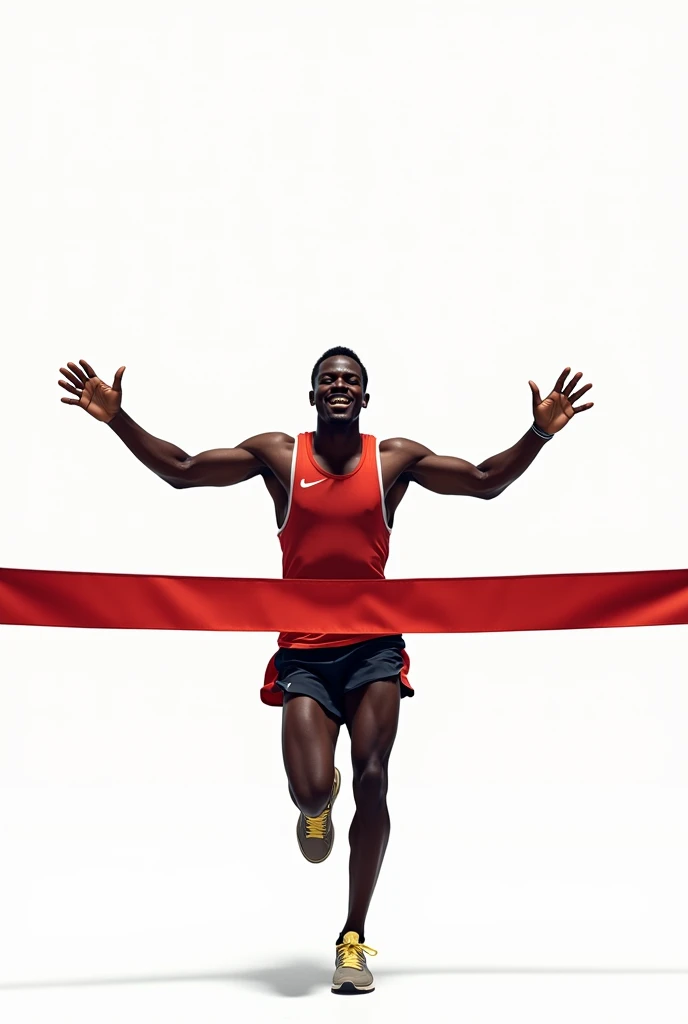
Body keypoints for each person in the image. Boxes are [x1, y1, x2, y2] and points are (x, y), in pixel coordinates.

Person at [58, 347, 593, 994]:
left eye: (351, 380)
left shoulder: (393, 459)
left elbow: (484, 480)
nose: (339, 386)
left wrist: (538, 432)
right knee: (312, 790)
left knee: (375, 777)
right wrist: (119, 420)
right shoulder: (279, 456)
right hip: (305, 654)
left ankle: (351, 937)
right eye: (328, 379)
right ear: (312, 395)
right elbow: (183, 470)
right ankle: (318, 801)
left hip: (373, 651)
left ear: (365, 398)